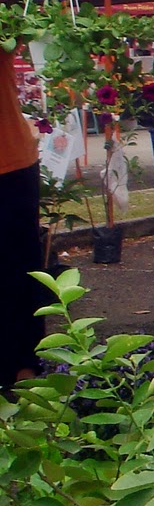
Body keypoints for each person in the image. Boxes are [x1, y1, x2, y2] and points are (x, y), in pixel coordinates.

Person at [1, 40, 45, 389]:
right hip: (13, 160)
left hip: (9, 163)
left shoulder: (5, 14)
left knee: (19, 273)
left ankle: (24, 371)